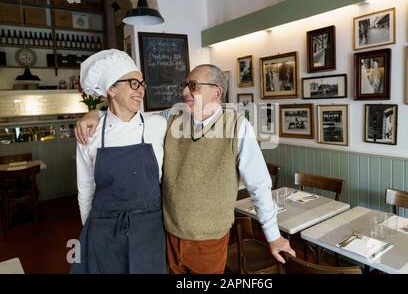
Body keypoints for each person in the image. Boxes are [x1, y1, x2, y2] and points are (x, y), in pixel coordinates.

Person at [75, 64, 295, 274]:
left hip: (209, 239)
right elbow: (130, 119)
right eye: (185, 84)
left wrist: (273, 236)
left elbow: (259, 186)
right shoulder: (171, 117)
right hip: (167, 234)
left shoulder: (237, 127)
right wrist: (97, 114)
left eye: (193, 86)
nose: (184, 91)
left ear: (216, 93)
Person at [71, 49, 167, 274]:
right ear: (111, 89)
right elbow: (85, 189)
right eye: (134, 83)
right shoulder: (89, 134)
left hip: (149, 230)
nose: (141, 90)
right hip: (104, 231)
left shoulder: (158, 125)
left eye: (142, 83)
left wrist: (95, 111)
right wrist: (91, 230)